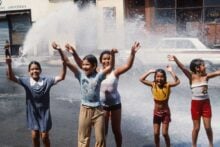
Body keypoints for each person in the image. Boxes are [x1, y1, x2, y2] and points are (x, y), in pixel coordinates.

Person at [65, 42, 141, 147]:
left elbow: (128, 66)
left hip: (115, 104)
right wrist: (74, 53)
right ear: (100, 61)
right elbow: (82, 64)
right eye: (104, 59)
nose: (106, 60)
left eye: (108, 58)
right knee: (102, 132)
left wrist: (132, 53)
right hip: (101, 106)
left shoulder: (115, 72)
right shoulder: (97, 72)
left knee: (116, 131)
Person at [5, 42, 66, 147]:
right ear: (29, 71)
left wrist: (61, 53)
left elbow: (62, 76)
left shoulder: (47, 81)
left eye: (37, 69)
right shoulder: (26, 81)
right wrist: (9, 64)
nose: (34, 71)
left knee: (44, 137)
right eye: (32, 69)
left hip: (44, 113)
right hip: (32, 113)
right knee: (34, 136)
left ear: (40, 70)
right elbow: (11, 77)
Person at [62, 44, 115, 147]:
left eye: (87, 65)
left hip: (98, 110)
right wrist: (61, 50)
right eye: (84, 65)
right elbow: (68, 62)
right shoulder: (80, 75)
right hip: (85, 109)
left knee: (100, 139)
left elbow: (110, 67)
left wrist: (112, 55)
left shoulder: (99, 76)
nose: (84, 67)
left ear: (94, 66)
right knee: (83, 139)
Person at [168, 55, 220, 147]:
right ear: (197, 68)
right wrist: (176, 60)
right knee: (196, 128)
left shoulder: (206, 76)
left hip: (206, 104)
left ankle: (211, 144)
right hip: (195, 105)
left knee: (208, 127)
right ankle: (194, 145)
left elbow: (218, 72)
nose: (205, 67)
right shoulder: (191, 77)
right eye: (203, 65)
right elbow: (183, 68)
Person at [139, 65, 180, 147]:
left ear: (164, 78)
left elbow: (177, 82)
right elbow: (141, 79)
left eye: (161, 77)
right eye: (157, 76)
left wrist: (171, 71)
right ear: (155, 77)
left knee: (164, 133)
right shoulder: (153, 85)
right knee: (156, 133)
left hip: (165, 113)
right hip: (156, 113)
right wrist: (150, 71)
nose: (159, 79)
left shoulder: (167, 85)